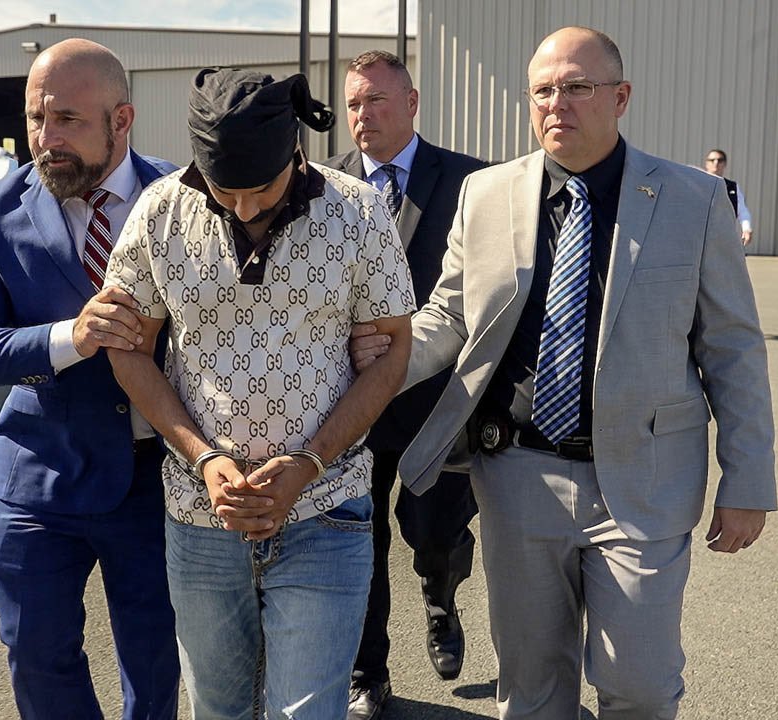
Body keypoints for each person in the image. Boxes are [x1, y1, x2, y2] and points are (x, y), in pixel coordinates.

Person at [356, 26, 776, 719]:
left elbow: (733, 349)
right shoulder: (486, 195)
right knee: (532, 690)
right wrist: (369, 362)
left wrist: (749, 478)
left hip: (644, 476)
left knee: (639, 685)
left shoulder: (694, 201)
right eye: (544, 91)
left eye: (578, 87)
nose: (559, 104)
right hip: (519, 476)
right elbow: (449, 318)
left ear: (621, 97)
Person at [104, 68, 415, 719]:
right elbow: (130, 350)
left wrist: (309, 463)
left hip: (326, 510)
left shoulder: (358, 211)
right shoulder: (160, 210)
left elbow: (392, 357)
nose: (243, 208)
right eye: (225, 191)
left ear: (295, 152)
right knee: (220, 709)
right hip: (200, 515)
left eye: (262, 191)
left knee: (307, 713)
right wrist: (204, 459)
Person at [0, 38, 180, 720]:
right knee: (38, 659)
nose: (47, 139)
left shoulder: (186, 201)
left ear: (122, 120)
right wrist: (72, 337)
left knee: (156, 666)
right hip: (39, 483)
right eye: (37, 119)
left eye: (68, 119)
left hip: (156, 483)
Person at [321, 50, 484, 720]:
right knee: (359, 543)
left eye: (377, 102)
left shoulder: (470, 183)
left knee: (434, 535)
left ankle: (441, 594)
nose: (363, 116)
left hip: (435, 404)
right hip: (350, 409)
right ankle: (369, 674)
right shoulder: (321, 185)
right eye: (354, 103)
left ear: (412, 104)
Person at [703, 149, 754, 246]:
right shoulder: (698, 184)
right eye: (712, 160)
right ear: (706, 163)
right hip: (701, 237)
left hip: (723, 238)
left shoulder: (732, 187)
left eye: (720, 160)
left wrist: (746, 228)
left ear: (725, 164)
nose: (716, 163)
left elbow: (742, 210)